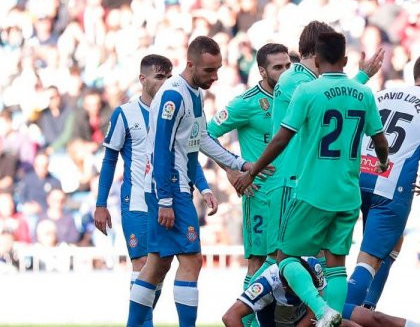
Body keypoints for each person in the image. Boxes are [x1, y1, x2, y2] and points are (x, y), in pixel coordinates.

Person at [235, 32, 389, 327]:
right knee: (336, 267)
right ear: (345, 60)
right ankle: (330, 318)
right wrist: (382, 162)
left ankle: (321, 311)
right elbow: (380, 141)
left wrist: (251, 171)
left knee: (285, 258)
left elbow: (281, 138)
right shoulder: (364, 94)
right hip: (347, 194)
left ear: (316, 60)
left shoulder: (308, 91)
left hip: (311, 191)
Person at [127, 36, 251, 327]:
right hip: (168, 187)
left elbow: (199, 140)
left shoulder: (194, 93)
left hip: (172, 186)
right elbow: (161, 149)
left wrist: (238, 163)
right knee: (191, 260)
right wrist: (167, 200)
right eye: (209, 70)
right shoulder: (173, 95)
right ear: (191, 63)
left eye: (218, 69)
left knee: (157, 264)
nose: (215, 76)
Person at [344, 53, 420, 313]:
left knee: (393, 242)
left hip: (356, 178)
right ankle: (341, 313)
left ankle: (367, 307)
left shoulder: (381, 94)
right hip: (391, 185)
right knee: (369, 258)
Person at [207, 43, 291, 327]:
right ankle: (247, 322)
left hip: (291, 192)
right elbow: (206, 134)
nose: (284, 72)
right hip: (261, 194)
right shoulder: (247, 102)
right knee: (259, 261)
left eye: (287, 66)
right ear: (262, 70)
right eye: (277, 67)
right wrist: (231, 169)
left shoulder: (295, 97)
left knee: (285, 259)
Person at [94, 54, 179, 325]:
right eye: (159, 76)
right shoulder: (125, 113)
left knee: (159, 268)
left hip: (166, 201)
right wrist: (101, 203)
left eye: (168, 77)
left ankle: (142, 320)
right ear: (143, 79)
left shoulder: (173, 111)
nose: (165, 82)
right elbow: (109, 159)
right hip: (136, 203)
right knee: (142, 264)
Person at [222, 257, 420, 327]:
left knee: (372, 318)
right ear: (283, 284)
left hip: (316, 314)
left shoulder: (313, 267)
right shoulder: (266, 282)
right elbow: (230, 317)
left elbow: (319, 313)